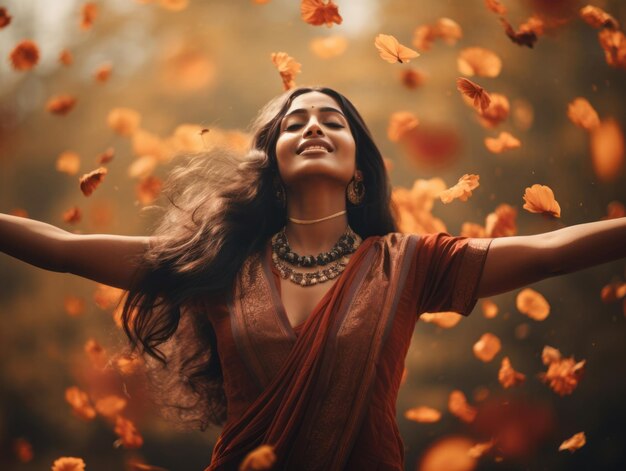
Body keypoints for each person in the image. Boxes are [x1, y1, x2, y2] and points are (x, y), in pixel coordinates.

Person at [1, 86, 625, 470]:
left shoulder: (412, 262)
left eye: (332, 120)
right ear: (273, 163)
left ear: (359, 165)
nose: (313, 128)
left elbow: (547, 251)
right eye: (295, 123)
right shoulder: (219, 261)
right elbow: (63, 249)